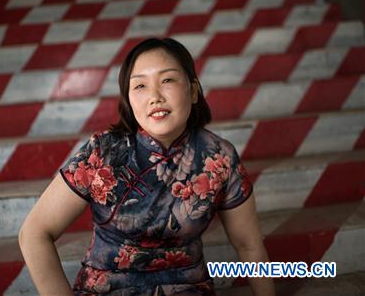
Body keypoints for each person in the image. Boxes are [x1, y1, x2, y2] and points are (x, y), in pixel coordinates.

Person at [18, 38, 275, 295]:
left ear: (194, 90)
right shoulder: (102, 153)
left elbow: (248, 245)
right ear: (128, 100)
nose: (155, 96)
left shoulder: (219, 158)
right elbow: (34, 233)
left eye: (168, 80)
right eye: (140, 85)